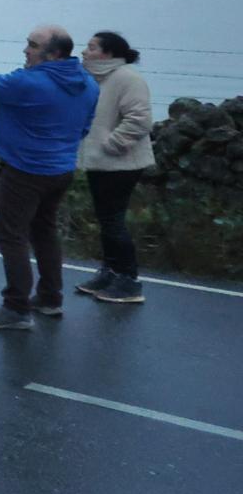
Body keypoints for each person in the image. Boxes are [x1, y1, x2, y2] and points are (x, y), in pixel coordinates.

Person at [0, 26, 99, 329]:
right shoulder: (89, 84)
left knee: (11, 234)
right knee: (44, 231)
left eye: (31, 45)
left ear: (53, 54)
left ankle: (16, 307)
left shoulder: (29, 83)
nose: (25, 51)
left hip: (24, 170)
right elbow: (85, 126)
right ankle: (50, 298)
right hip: (61, 169)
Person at [76, 32, 153, 305]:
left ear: (108, 54)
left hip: (121, 163)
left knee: (113, 221)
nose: (85, 51)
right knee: (106, 219)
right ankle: (110, 272)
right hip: (100, 162)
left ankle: (129, 280)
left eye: (92, 47)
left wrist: (112, 144)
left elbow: (140, 119)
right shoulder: (97, 78)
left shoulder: (126, 78)